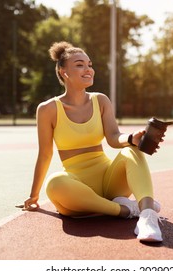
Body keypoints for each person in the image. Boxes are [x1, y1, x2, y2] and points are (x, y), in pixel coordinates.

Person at [20, 41, 163, 242]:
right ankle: (125, 209)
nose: (88, 69)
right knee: (54, 183)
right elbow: (45, 154)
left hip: (110, 183)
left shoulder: (101, 100)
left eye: (90, 64)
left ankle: (148, 218)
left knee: (132, 150)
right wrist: (34, 195)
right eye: (79, 65)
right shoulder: (47, 109)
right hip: (79, 191)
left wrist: (131, 139)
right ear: (63, 72)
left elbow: (114, 138)